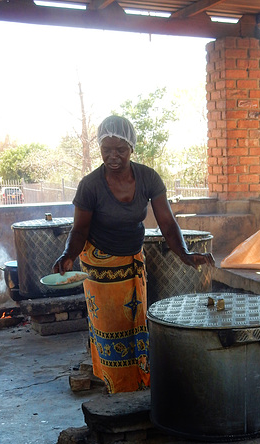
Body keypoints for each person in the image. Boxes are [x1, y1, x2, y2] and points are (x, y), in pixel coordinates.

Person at [53, 115, 215, 394]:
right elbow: (79, 229)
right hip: (99, 265)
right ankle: (115, 387)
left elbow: (166, 222)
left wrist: (185, 254)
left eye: (121, 150)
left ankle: (138, 381)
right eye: (107, 150)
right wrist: (68, 255)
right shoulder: (90, 185)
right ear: (100, 149)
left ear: (132, 147)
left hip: (132, 261)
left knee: (135, 324)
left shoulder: (148, 177)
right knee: (110, 329)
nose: (113, 156)